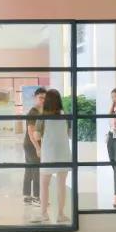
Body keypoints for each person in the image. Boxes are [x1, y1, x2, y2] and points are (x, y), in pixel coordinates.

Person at [34, 89, 71, 224]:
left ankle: (44, 214)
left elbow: (37, 136)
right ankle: (60, 214)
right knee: (61, 185)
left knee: (44, 185)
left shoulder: (42, 116)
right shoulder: (65, 115)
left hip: (48, 153)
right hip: (63, 152)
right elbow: (70, 133)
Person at [22, 87, 46, 205]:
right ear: (35, 98)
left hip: (33, 144)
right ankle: (37, 197)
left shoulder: (41, 112)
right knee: (36, 170)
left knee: (30, 169)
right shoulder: (33, 112)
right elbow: (31, 133)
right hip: (31, 145)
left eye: (45, 98)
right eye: (40, 98)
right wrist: (38, 148)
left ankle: (27, 197)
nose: (43, 100)